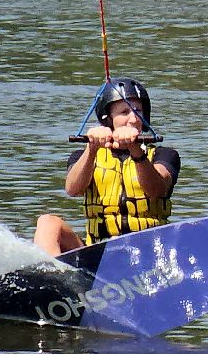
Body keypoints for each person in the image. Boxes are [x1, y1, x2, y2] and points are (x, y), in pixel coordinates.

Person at [32, 78, 181, 257]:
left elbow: (157, 189)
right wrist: (92, 148)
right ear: (108, 119)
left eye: (138, 111)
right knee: (47, 222)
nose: (133, 118)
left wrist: (135, 148)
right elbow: (72, 189)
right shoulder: (83, 156)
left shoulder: (165, 155)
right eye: (125, 112)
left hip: (149, 255)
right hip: (98, 257)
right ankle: (51, 275)